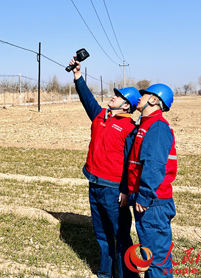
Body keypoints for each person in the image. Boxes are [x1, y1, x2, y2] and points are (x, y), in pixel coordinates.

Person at [69, 57, 140, 278]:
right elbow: (87, 99)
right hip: (94, 184)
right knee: (102, 236)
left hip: (113, 191)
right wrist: (78, 75)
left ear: (126, 105)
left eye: (119, 96)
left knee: (121, 237)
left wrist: (126, 191)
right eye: (115, 94)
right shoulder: (100, 116)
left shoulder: (130, 128)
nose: (113, 96)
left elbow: (131, 162)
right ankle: (105, 274)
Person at [120, 84, 177, 278]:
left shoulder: (157, 126)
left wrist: (144, 196)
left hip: (153, 203)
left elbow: (154, 165)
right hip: (147, 200)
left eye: (144, 95)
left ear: (153, 100)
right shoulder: (145, 124)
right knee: (150, 256)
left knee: (156, 261)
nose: (139, 97)